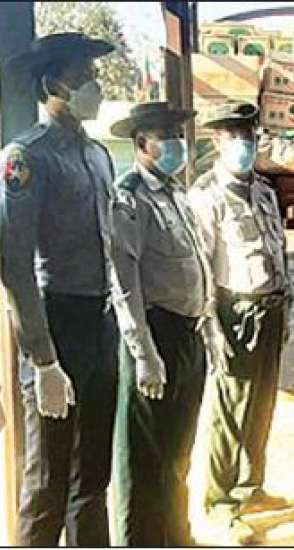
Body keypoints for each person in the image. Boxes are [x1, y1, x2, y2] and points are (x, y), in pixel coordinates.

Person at [0, 32, 117, 546]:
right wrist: (44, 359)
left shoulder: (98, 155)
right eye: (82, 76)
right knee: (47, 481)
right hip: (56, 322)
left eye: (94, 74)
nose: (94, 85)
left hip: (100, 321)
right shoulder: (27, 157)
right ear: (52, 85)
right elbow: (15, 265)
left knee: (92, 477)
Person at [108, 101, 222, 546]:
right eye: (166, 136)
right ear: (142, 143)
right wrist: (144, 353)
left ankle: (176, 536)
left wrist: (207, 326)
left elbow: (197, 265)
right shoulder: (129, 197)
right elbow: (124, 280)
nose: (177, 144)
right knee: (143, 457)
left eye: (178, 135)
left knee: (178, 449)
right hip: (156, 333)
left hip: (187, 334)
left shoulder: (176, 193)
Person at [188, 101, 291, 544]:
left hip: (271, 306)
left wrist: (287, 305)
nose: (244, 144)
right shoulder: (206, 195)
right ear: (217, 141)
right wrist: (211, 325)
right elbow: (201, 265)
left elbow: (278, 250)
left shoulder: (264, 191)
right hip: (236, 311)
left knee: (262, 404)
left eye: (248, 135)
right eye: (234, 136)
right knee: (230, 411)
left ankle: (251, 485)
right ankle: (220, 504)